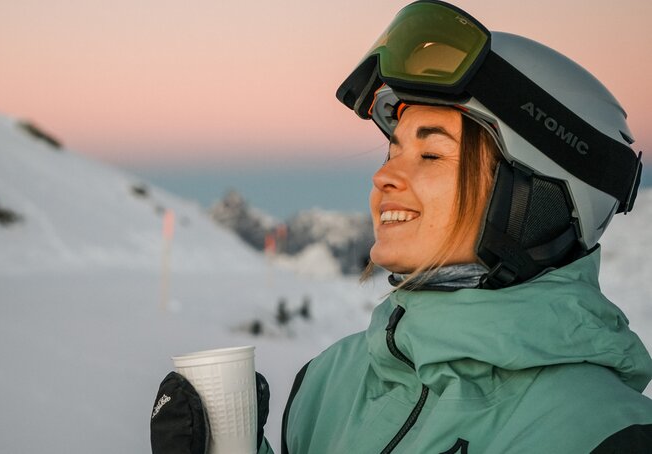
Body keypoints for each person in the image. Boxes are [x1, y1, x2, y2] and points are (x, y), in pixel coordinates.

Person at [150, 1, 652, 452]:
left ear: (533, 200)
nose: (384, 175)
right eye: (394, 150)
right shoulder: (330, 383)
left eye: (431, 154)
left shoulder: (600, 434)